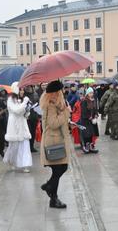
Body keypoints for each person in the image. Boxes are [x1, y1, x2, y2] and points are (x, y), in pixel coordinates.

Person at [39, 80, 72, 209]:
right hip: (53, 140)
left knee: (60, 168)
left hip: (56, 139)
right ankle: (52, 194)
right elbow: (52, 123)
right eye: (61, 90)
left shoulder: (56, 104)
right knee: (60, 168)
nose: (63, 92)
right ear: (56, 92)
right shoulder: (51, 104)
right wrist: (65, 113)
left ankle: (52, 196)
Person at [3, 86, 32, 173]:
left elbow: (24, 114)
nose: (22, 91)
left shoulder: (21, 100)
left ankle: (25, 165)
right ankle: (12, 161)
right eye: (20, 90)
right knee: (14, 146)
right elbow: (16, 110)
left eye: (23, 90)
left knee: (25, 145)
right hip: (14, 125)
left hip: (23, 125)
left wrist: (27, 110)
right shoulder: (10, 100)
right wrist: (25, 102)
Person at [80, 87, 99, 154]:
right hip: (85, 121)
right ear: (87, 94)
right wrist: (89, 117)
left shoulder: (93, 100)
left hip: (92, 120)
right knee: (87, 134)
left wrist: (96, 114)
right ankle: (86, 147)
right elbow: (83, 112)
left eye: (92, 93)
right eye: (90, 93)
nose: (92, 94)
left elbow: (95, 109)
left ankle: (91, 146)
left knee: (91, 133)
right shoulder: (84, 101)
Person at [24, 86, 40, 153]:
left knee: (33, 132)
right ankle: (27, 147)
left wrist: (39, 115)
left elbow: (38, 105)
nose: (28, 88)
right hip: (27, 117)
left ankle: (31, 147)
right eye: (27, 87)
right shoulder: (24, 95)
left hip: (34, 116)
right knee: (28, 132)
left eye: (29, 87)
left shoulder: (36, 94)